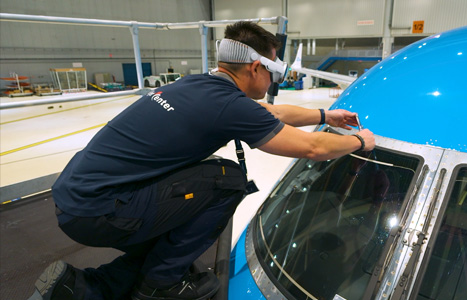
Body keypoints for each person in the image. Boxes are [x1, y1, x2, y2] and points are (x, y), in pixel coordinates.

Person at [29, 21, 375, 300]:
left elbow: (273, 112)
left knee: (166, 237)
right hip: (101, 211)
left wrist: (324, 115)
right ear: (256, 68)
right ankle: (160, 285)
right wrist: (360, 141)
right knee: (225, 179)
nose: (273, 83)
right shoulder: (228, 105)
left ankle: (82, 289)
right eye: (273, 74)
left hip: (75, 197)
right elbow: (311, 148)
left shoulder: (196, 86)